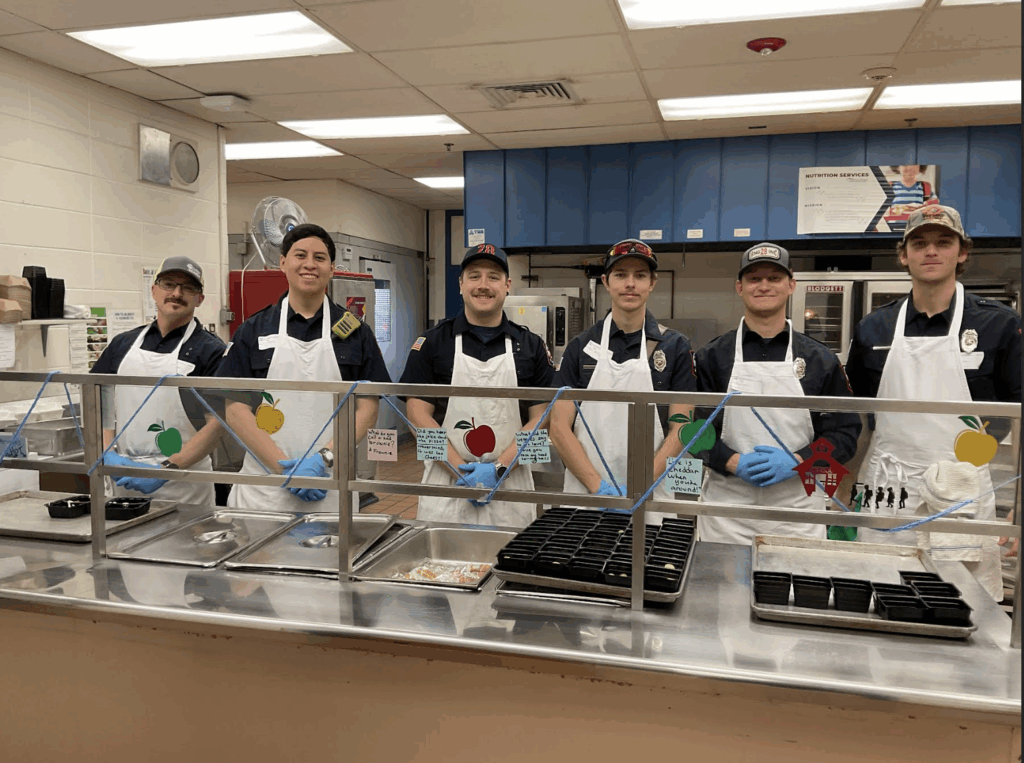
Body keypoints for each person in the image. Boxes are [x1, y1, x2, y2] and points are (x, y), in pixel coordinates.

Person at [846, 205, 1021, 601]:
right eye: (919, 243)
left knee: (964, 606)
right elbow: (855, 413)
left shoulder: (999, 325)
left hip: (962, 490)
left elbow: (1021, 416)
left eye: (944, 242)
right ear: (903, 254)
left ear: (962, 253)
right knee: (881, 594)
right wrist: (842, 488)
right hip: (886, 488)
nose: (931, 251)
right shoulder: (873, 327)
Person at [695, 243, 861, 544]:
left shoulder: (820, 359)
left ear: (791, 285)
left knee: (794, 592)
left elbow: (846, 435)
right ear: (739, 287)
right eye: (754, 279)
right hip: (726, 513)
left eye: (774, 278)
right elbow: (693, 429)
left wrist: (799, 461)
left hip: (797, 511)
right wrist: (732, 462)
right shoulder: (711, 357)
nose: (764, 286)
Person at [217, 223, 391, 512]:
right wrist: (284, 469)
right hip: (264, 491)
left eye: (319, 258)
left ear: (332, 268)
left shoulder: (356, 332)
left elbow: (368, 410)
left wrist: (323, 460)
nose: (310, 264)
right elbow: (235, 408)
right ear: (283, 262)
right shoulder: (252, 330)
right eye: (300, 255)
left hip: (329, 486)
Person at [399, 243, 554, 528]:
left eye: (493, 276)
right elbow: (418, 416)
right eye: (474, 276)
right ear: (461, 285)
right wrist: (460, 470)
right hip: (446, 485)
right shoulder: (432, 343)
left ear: (507, 285)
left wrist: (498, 469)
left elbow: (541, 419)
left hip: (511, 485)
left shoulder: (530, 346)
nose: (484, 285)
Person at [549, 239, 696, 524]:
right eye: (620, 275)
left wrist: (638, 487)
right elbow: (558, 428)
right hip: (586, 497)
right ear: (606, 281)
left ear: (652, 283)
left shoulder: (676, 347)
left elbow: (682, 427)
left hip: (650, 495)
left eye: (640, 275)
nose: (630, 283)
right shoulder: (580, 347)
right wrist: (598, 488)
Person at [91, 257, 225, 506]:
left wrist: (167, 468)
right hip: (126, 478)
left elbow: (216, 426)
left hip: (183, 484)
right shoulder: (123, 343)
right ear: (153, 290)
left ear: (200, 299)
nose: (176, 293)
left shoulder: (211, 350)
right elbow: (99, 402)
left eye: (188, 288)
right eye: (169, 284)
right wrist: (107, 453)